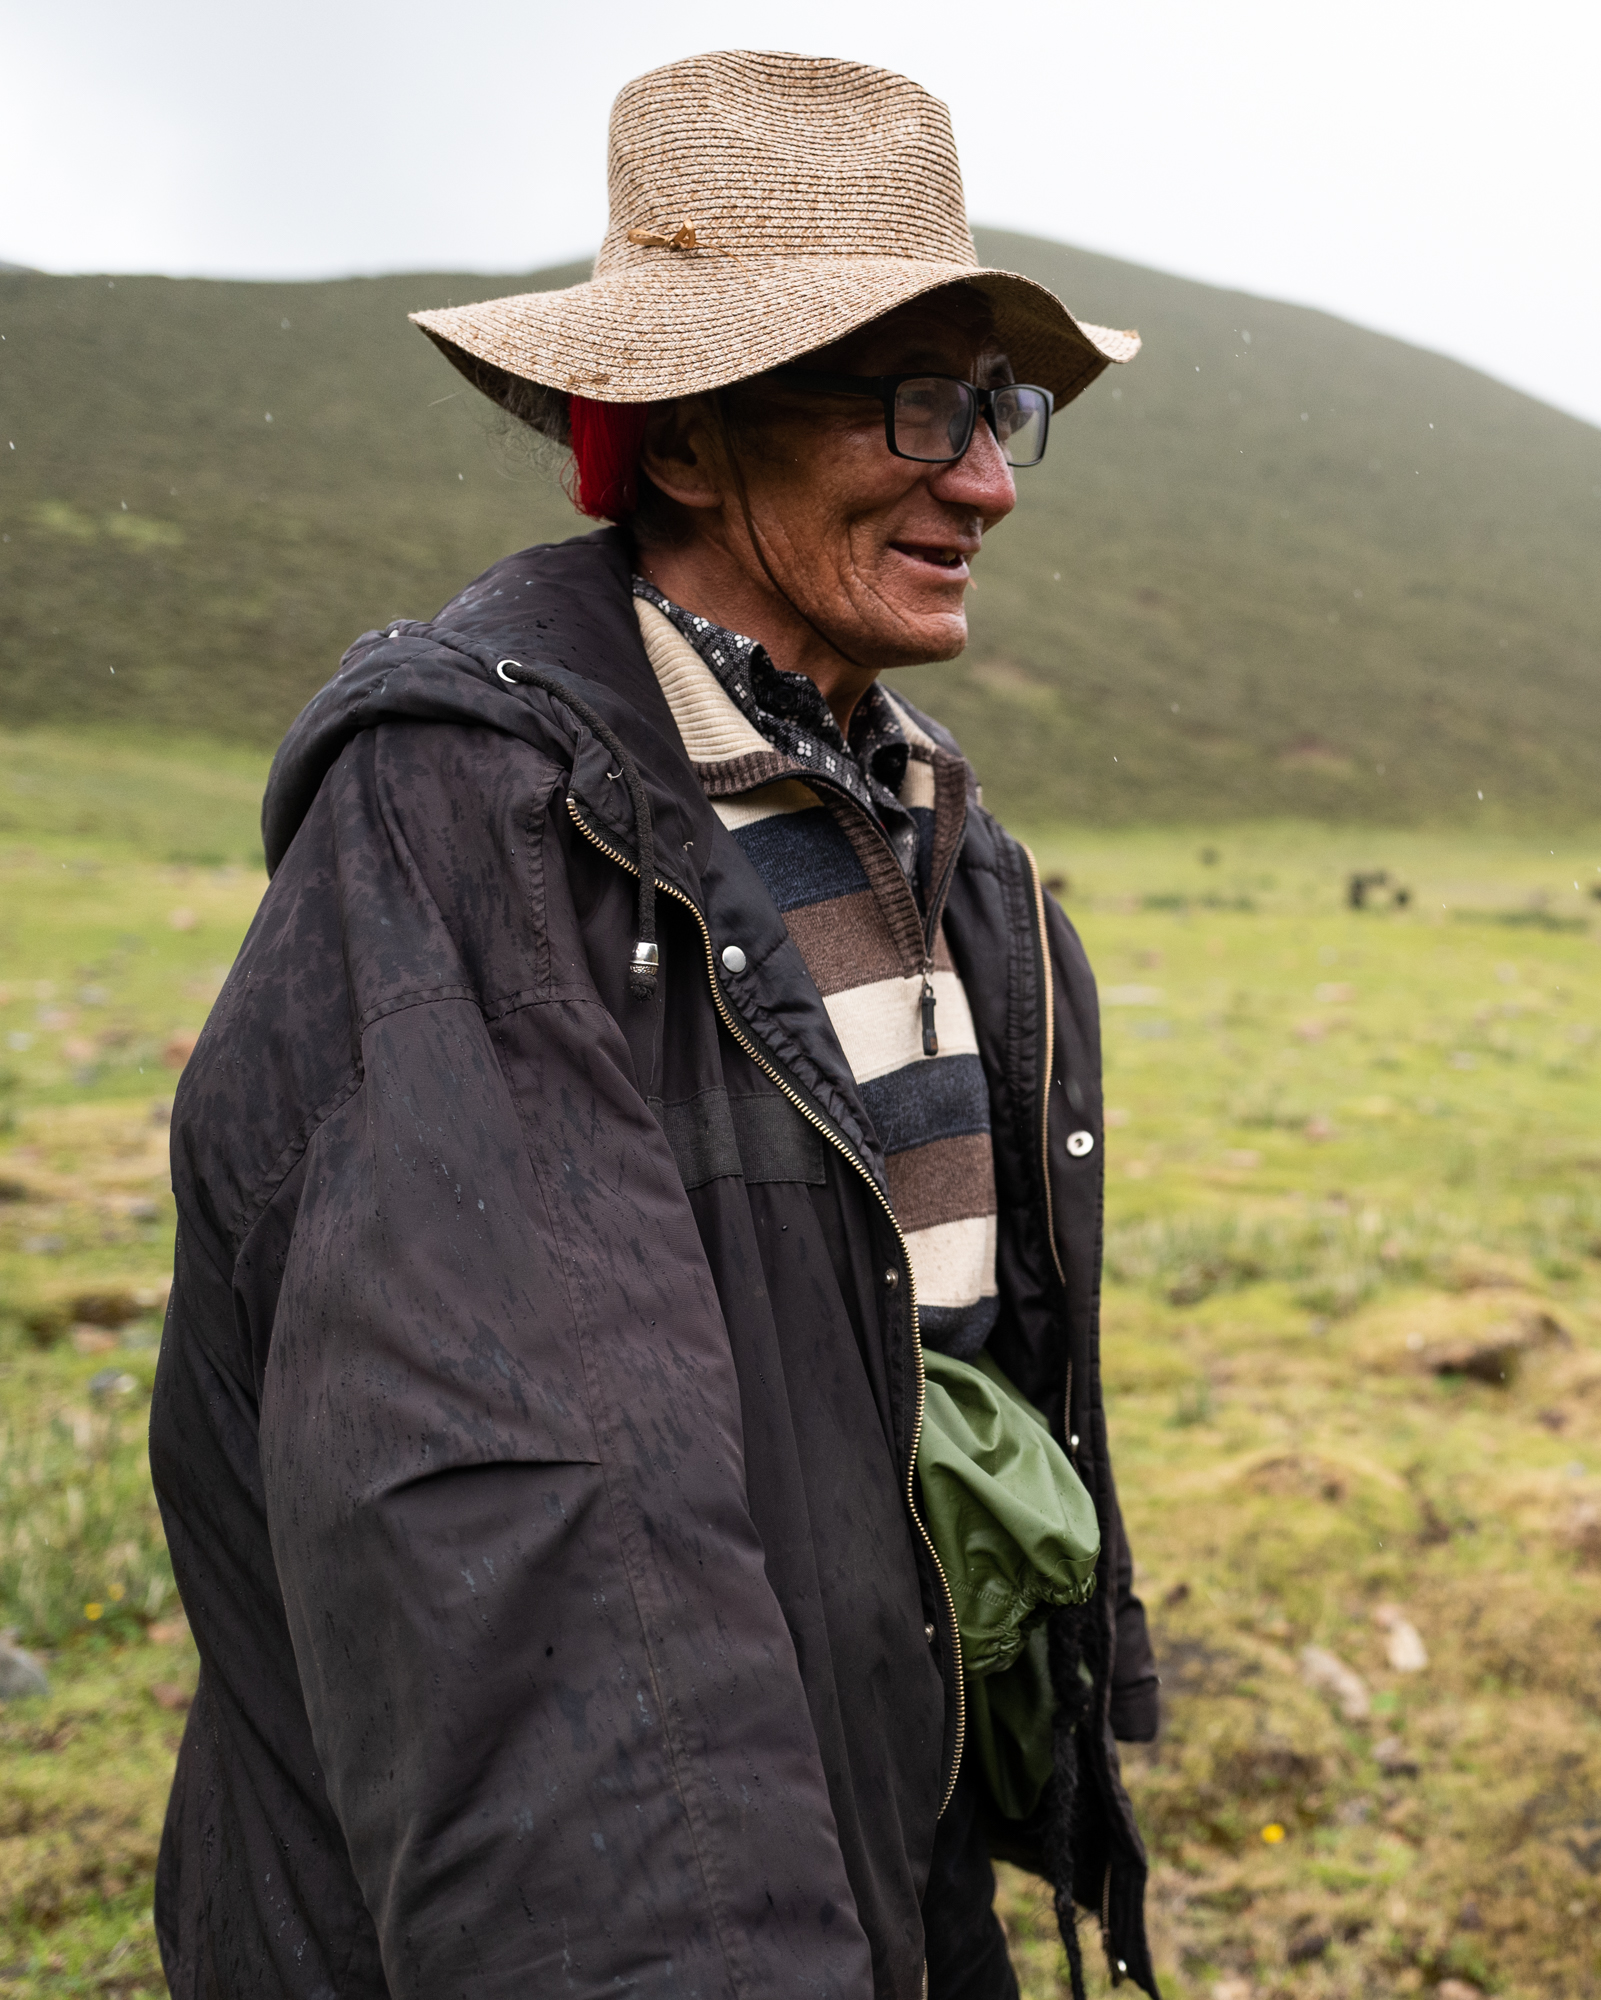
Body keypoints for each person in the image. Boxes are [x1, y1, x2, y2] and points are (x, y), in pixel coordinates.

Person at [151, 51, 1158, 1998]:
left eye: (998, 408)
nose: (984, 479)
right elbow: (528, 1564)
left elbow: (932, 1397)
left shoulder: (950, 849)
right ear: (686, 443)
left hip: (879, 1845)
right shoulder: (470, 833)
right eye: (915, 406)